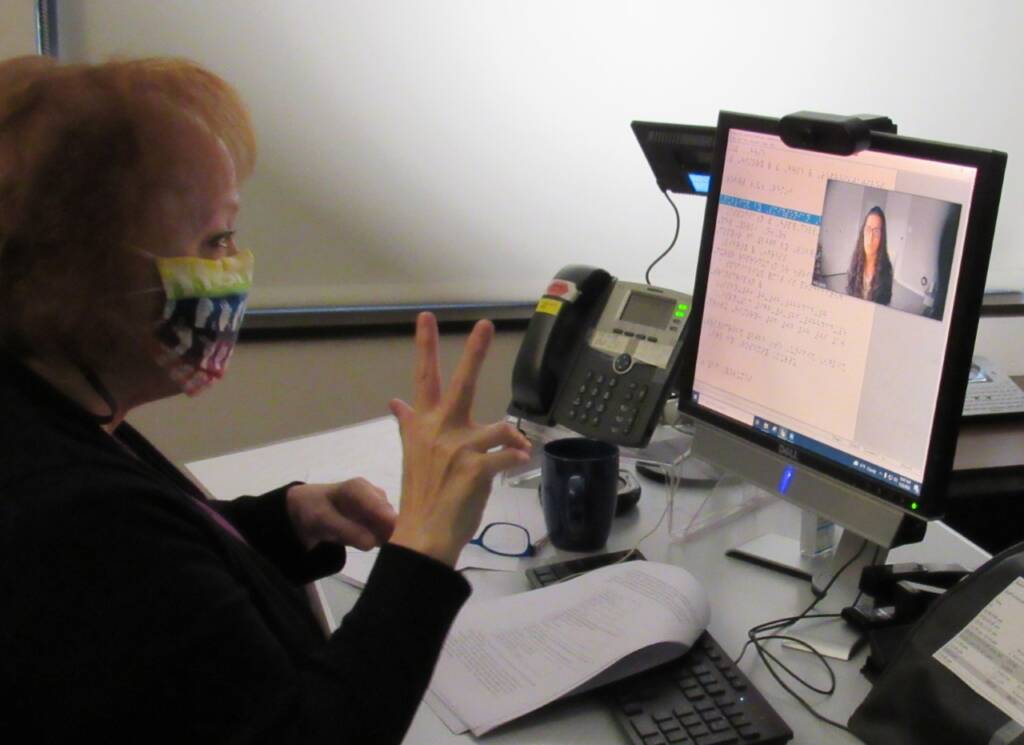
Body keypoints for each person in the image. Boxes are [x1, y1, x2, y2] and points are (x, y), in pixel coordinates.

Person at [0, 56, 531, 743]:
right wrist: (426, 545)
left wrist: (284, 521)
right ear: (78, 274)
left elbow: (159, 592)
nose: (236, 267)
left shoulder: (47, 405)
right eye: (213, 239)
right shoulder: (66, 515)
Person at [846, 205, 893, 305]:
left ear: (882, 237)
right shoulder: (855, 262)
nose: (870, 238)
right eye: (868, 230)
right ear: (863, 233)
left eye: (876, 231)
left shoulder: (887, 270)